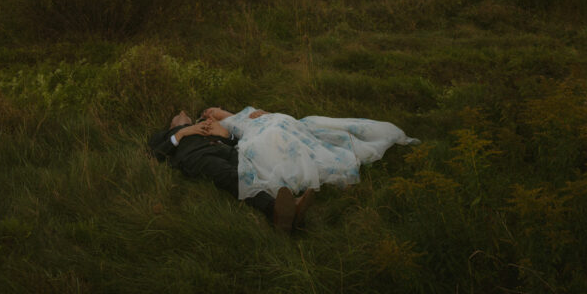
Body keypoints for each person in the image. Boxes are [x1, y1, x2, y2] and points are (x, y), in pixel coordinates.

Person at [200, 105, 418, 201]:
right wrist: (217, 126)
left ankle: (331, 168)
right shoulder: (226, 124)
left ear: (219, 107)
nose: (208, 114)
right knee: (268, 140)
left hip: (275, 121)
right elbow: (228, 138)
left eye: (210, 110)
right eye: (205, 116)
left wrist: (266, 114)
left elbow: (271, 115)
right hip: (256, 132)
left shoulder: (247, 111)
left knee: (283, 129)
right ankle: (319, 175)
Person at [147, 110, 314, 234]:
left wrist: (224, 134)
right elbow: (155, 155)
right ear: (172, 124)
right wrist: (182, 132)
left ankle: (289, 206)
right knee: (232, 176)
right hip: (197, 157)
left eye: (186, 114)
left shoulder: (201, 125)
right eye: (179, 113)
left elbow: (235, 141)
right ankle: (274, 211)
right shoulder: (164, 135)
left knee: (254, 169)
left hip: (224, 150)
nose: (183, 112)